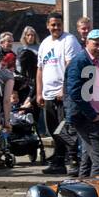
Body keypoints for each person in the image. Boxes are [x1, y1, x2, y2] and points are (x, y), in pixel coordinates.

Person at [36, 13, 84, 176]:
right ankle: (58, 161)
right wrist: (39, 92)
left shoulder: (69, 40)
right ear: (47, 26)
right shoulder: (44, 43)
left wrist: (64, 89)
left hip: (64, 94)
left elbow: (71, 66)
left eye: (58, 24)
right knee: (53, 129)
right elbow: (40, 69)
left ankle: (73, 161)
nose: (56, 28)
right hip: (48, 94)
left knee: (66, 129)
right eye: (53, 25)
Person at [65, 30, 99, 176]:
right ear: (87, 43)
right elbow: (74, 92)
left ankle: (81, 190)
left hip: (97, 115)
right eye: (96, 44)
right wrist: (92, 114)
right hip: (87, 117)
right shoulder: (80, 61)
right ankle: (94, 195)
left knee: (87, 161)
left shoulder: (96, 61)